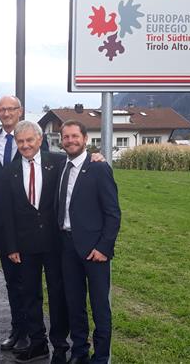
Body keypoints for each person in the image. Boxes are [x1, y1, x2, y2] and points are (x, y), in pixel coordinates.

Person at [1, 120, 70, 364]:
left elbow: (82, 168)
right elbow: (6, 212)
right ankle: (37, 343)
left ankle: (61, 346)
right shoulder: (10, 171)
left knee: (57, 294)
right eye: (20, 141)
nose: (25, 145)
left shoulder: (59, 163)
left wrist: (98, 158)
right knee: (29, 295)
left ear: (40, 140)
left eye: (30, 140)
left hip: (54, 243)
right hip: (24, 245)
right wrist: (11, 246)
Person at [57, 120, 121, 364]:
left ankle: (101, 357)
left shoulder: (98, 168)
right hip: (67, 247)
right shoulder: (61, 165)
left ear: (85, 139)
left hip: (95, 250)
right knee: (75, 304)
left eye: (75, 136)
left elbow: (113, 213)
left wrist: (104, 248)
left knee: (100, 307)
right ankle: (79, 351)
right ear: (61, 141)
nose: (70, 140)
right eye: (66, 137)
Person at [0, 95, 37, 352]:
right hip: (2, 220)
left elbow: (50, 165)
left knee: (28, 279)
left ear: (20, 111)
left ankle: (31, 332)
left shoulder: (33, 136)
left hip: (28, 220)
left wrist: (95, 158)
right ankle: (17, 329)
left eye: (10, 109)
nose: (5, 113)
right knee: (11, 279)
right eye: (1, 110)